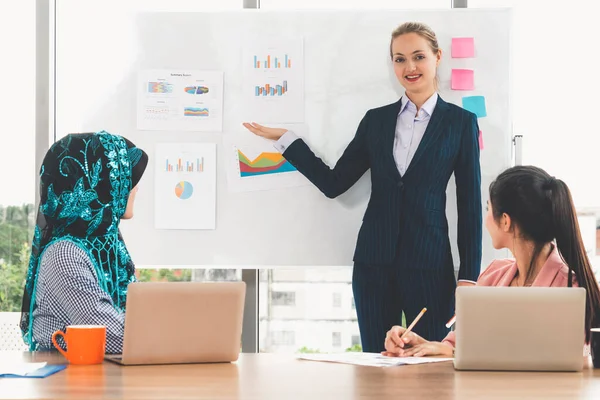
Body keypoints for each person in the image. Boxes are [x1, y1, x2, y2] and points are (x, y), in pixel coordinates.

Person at [243, 21, 482, 351]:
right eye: (399, 59)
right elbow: (334, 183)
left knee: (431, 367)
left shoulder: (460, 122)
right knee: (376, 363)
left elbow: (470, 205)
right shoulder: (376, 121)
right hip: (374, 264)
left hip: (430, 265)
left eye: (418, 57)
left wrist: (469, 275)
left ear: (437, 57)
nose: (409, 67)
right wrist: (287, 140)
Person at [383, 166, 600, 357]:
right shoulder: (493, 275)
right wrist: (423, 345)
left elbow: (572, 360)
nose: (486, 219)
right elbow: (462, 343)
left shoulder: (571, 288)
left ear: (505, 221)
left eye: (488, 209)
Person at [20, 131, 148, 354]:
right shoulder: (65, 254)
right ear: (103, 185)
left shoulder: (107, 244)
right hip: (68, 380)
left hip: (107, 375)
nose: (136, 189)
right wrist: (177, 333)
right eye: (127, 181)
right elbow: (107, 335)